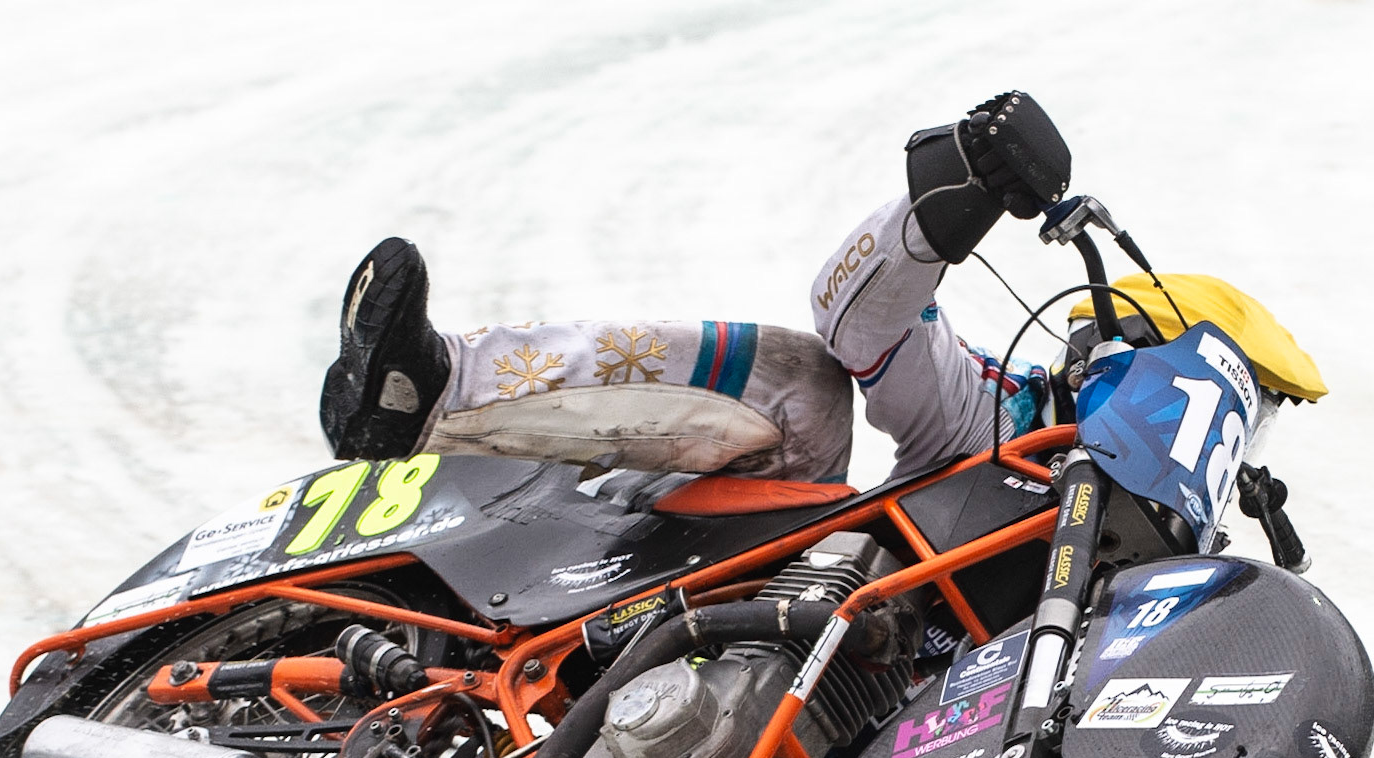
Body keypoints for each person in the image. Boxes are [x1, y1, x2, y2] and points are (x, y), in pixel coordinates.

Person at [318, 92, 1072, 485]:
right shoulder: (1005, 423)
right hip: (783, 603)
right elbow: (858, 321)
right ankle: (433, 396)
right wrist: (960, 184)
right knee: (804, 386)